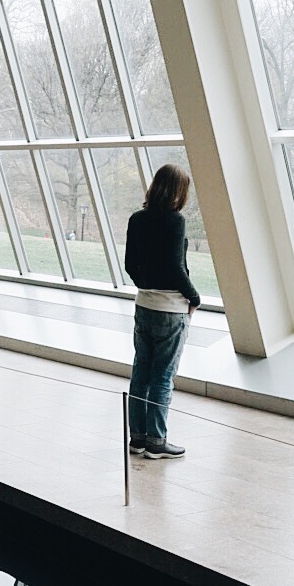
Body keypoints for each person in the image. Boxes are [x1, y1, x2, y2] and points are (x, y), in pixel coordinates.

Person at [124, 164, 199, 459]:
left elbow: (130, 264)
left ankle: (138, 439)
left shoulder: (137, 219)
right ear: (179, 192)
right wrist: (194, 298)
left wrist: (146, 286)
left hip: (144, 305)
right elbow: (175, 267)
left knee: (140, 373)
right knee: (163, 377)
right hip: (171, 309)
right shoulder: (174, 221)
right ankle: (157, 441)